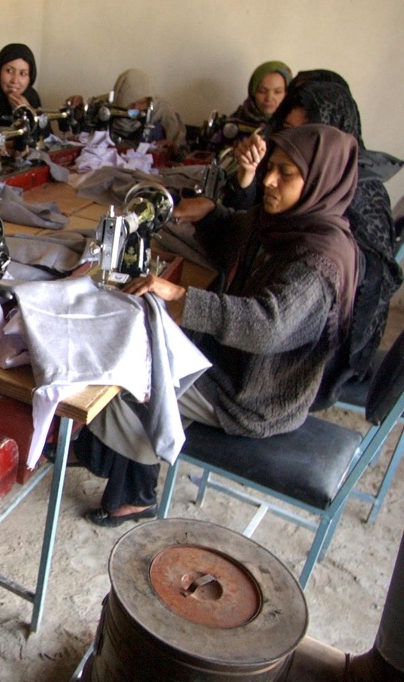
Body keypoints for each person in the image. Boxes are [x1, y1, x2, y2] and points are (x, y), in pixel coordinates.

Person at [76, 124, 360, 526]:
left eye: (286, 174)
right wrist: (211, 213)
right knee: (137, 338)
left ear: (319, 180)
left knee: (129, 375)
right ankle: (100, 451)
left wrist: (181, 298)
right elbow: (238, 233)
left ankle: (135, 492)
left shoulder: (319, 261)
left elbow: (266, 325)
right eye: (270, 169)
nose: (270, 181)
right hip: (232, 362)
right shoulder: (289, 222)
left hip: (254, 393)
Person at [220, 76, 402, 402]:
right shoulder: (297, 174)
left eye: (307, 131)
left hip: (315, 358)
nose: (296, 139)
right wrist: (247, 179)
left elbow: (357, 294)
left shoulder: (360, 197)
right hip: (286, 322)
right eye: (287, 129)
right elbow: (257, 225)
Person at [107, 68, 186, 148]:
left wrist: (169, 143)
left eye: (141, 103)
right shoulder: (108, 109)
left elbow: (176, 141)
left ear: (149, 101)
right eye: (130, 104)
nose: (136, 108)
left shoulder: (161, 110)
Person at [229, 61, 293, 127]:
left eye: (278, 92)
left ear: (287, 93)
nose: (269, 98)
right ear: (253, 92)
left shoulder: (295, 125)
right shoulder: (232, 126)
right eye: (262, 91)